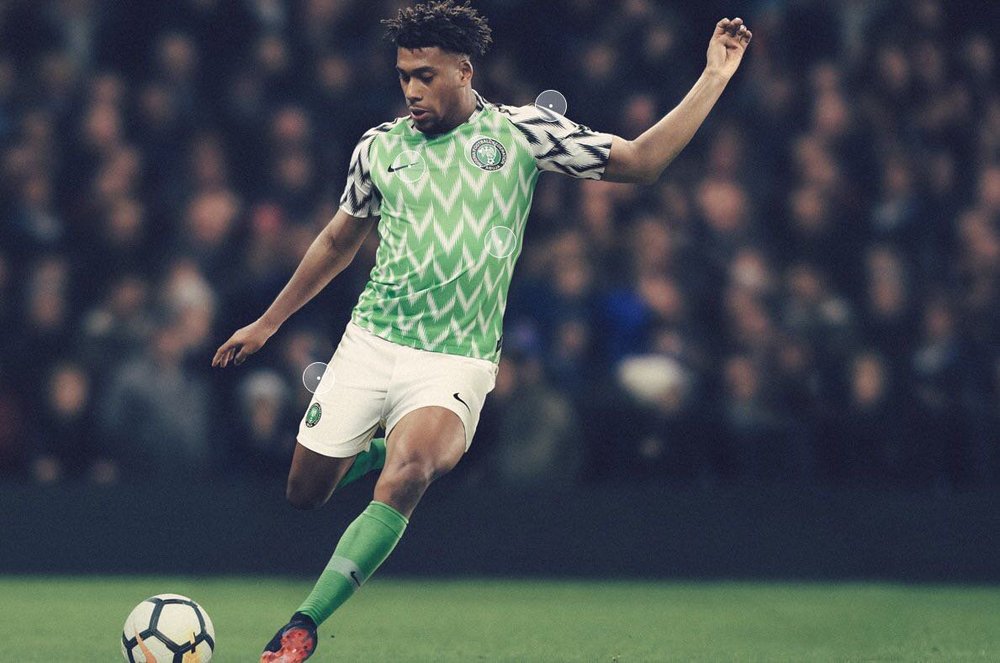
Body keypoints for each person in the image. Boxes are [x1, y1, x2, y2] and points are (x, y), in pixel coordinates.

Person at [211, 2, 752, 660]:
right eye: (404, 76)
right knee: (305, 493)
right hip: (371, 341)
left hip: (455, 358)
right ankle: (375, 450)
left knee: (411, 473)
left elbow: (641, 161)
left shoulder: (522, 133)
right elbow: (337, 241)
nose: (412, 90)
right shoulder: (379, 148)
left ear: (464, 72)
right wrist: (268, 322)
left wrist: (714, 76)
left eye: (426, 76)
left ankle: (303, 625)